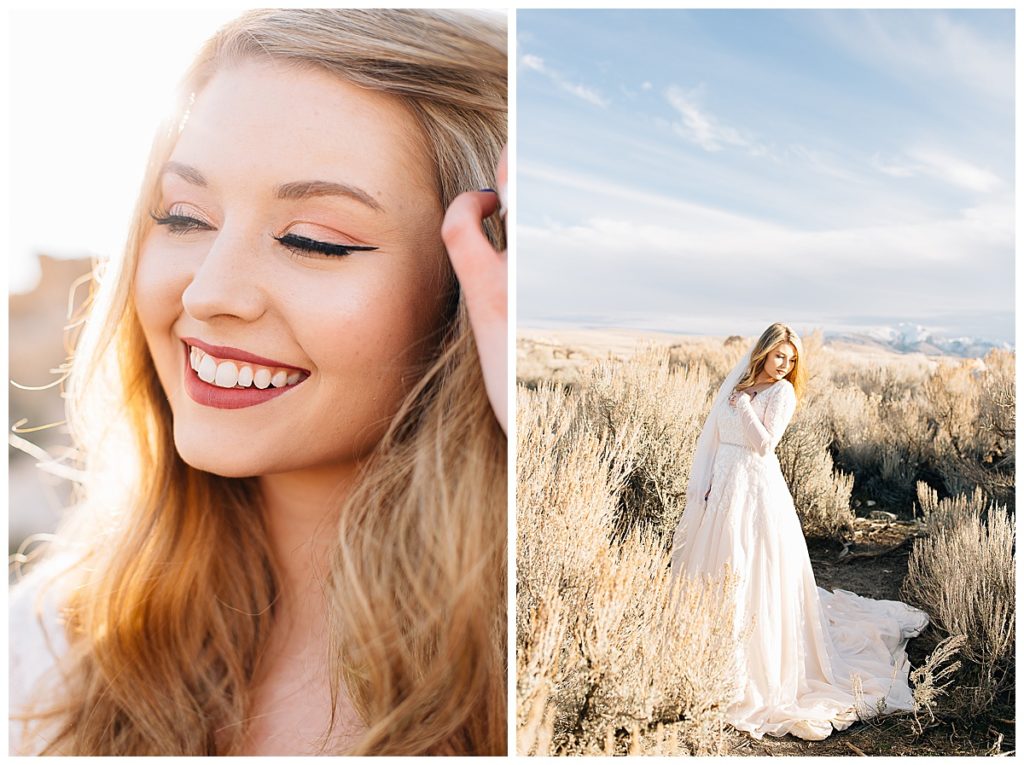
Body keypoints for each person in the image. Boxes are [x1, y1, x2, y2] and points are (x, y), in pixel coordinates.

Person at [9, 9, 507, 756]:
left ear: (471, 283)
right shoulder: (45, 644)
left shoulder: (533, 668)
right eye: (183, 217)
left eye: (314, 239)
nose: (209, 292)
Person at [670, 322, 929, 741]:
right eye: (779, 357)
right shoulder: (738, 383)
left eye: (791, 361)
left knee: (751, 564)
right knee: (717, 563)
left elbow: (764, 443)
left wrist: (746, 407)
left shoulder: (781, 393)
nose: (783, 365)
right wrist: (705, 486)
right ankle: (709, 648)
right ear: (763, 352)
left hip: (757, 489)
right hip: (725, 485)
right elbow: (715, 438)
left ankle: (753, 661)